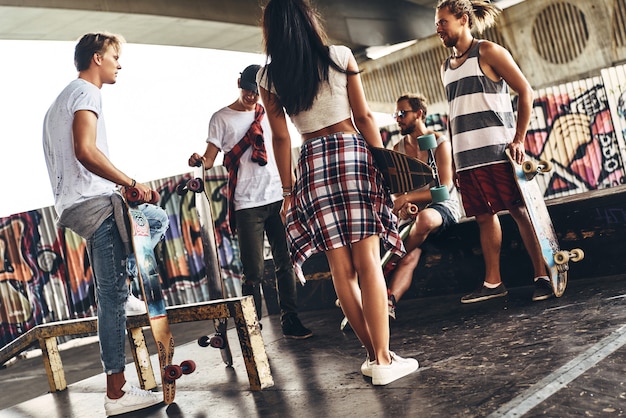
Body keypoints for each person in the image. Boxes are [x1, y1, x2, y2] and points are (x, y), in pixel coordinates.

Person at [257, 0, 419, 385]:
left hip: (311, 163)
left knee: (340, 271)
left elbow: (281, 137)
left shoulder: (269, 76)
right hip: (351, 153)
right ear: (307, 19)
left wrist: (288, 192)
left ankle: (373, 355)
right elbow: (363, 118)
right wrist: (385, 167)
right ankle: (383, 360)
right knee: (368, 263)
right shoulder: (339, 56)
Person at [42, 32, 162, 416]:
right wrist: (129, 182)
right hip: (94, 205)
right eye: (114, 56)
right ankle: (116, 393)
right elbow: (85, 150)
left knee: (154, 218)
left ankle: (126, 288)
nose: (119, 64)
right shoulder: (86, 92)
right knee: (110, 297)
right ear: (97, 57)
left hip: (76, 204)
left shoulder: (59, 101)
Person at [435, 0, 552, 303]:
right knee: (484, 218)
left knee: (519, 211)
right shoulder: (445, 67)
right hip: (467, 159)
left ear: (463, 20)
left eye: (443, 21)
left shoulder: (487, 51)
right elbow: (454, 115)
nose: (438, 28)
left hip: (498, 152)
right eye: (437, 23)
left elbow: (525, 90)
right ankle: (493, 283)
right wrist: (456, 164)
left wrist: (519, 139)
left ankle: (543, 276)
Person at [187, 64, 313, 339]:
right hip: (246, 203)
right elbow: (210, 159)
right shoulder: (221, 118)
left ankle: (290, 320)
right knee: (253, 271)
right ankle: (252, 327)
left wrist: (291, 190)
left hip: (278, 196)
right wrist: (200, 161)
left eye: (256, 92)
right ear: (238, 84)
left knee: (286, 262)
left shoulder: (271, 111)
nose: (252, 97)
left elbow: (284, 145)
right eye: (247, 90)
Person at [386, 94, 461, 319]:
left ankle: (389, 263)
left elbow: (444, 189)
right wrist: (406, 205)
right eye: (395, 114)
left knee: (426, 219)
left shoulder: (439, 142)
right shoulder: (397, 149)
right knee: (410, 257)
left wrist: (409, 198)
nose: (397, 119)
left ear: (418, 114)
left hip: (443, 208)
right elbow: (399, 195)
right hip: (415, 217)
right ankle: (388, 304)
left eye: (402, 113)